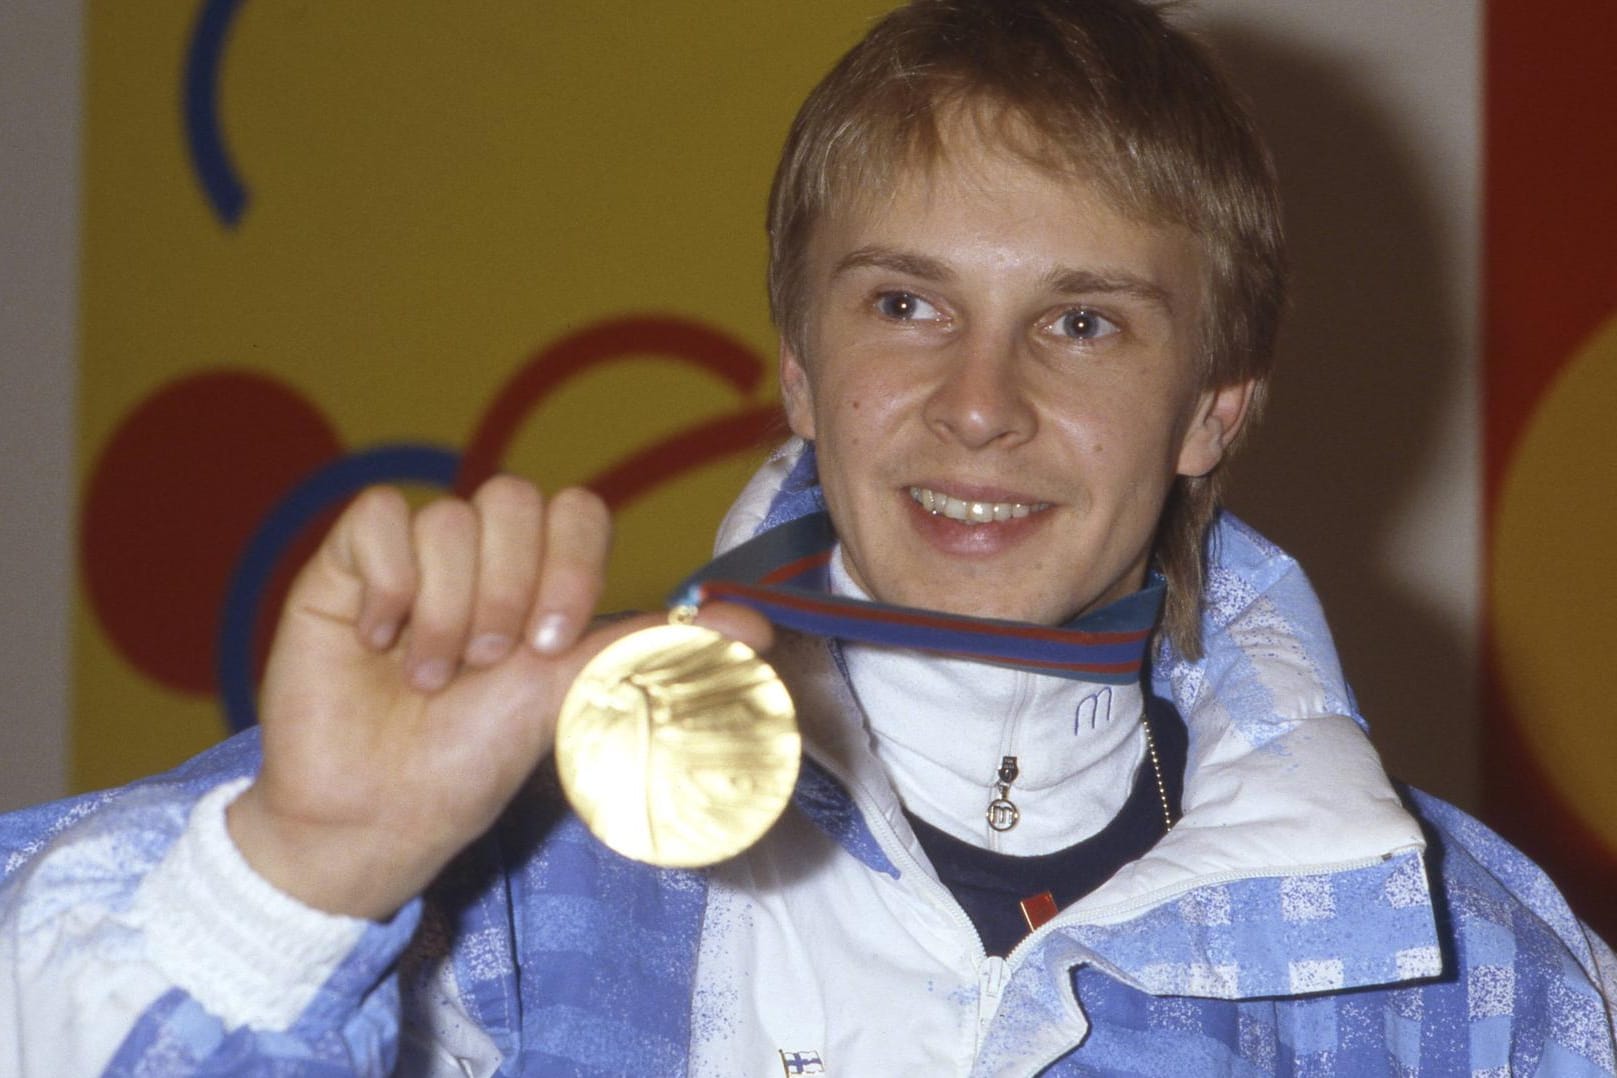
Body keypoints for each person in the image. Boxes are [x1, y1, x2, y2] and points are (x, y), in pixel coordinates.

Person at [4, 0, 1615, 1073]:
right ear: (798, 363)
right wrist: (306, 876)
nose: (975, 403)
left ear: (1210, 410)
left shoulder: (1461, 970)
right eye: (905, 303)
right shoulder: (482, 837)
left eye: (1082, 323)